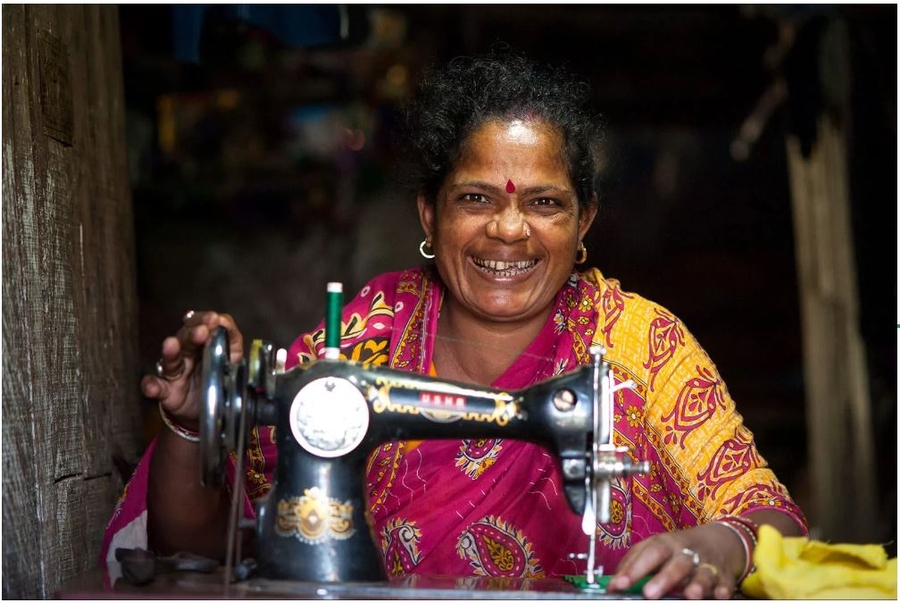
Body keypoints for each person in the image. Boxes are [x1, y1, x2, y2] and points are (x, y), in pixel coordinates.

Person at [102, 51, 807, 599]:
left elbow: (770, 517)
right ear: (429, 214)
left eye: (545, 203)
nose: (509, 229)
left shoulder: (640, 344)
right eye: (475, 198)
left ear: (584, 221)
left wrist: (723, 545)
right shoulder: (364, 340)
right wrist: (190, 424)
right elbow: (198, 541)